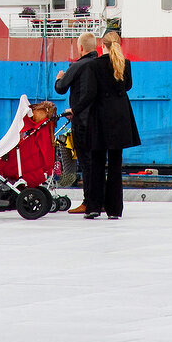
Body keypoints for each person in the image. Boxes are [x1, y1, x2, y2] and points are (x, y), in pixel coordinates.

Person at [70, 30, 141, 220]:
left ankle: (93, 207)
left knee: (97, 162)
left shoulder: (95, 65)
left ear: (103, 46)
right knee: (116, 165)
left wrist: (74, 109)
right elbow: (127, 87)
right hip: (121, 117)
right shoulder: (125, 64)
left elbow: (90, 94)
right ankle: (115, 210)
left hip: (101, 117)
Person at [54, 31, 98, 214]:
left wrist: (59, 77)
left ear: (81, 48)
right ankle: (100, 201)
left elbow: (61, 89)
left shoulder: (78, 66)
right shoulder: (100, 64)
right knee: (96, 162)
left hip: (82, 122)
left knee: (86, 163)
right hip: (98, 121)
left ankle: (88, 202)